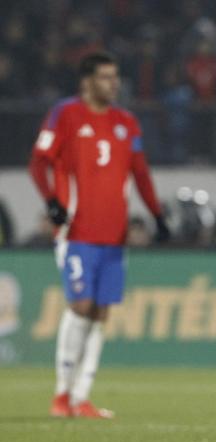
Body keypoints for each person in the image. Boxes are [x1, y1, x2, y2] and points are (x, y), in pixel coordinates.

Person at [29, 51, 169, 419]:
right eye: (106, 77)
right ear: (87, 82)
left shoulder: (127, 122)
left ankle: (81, 396)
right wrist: (51, 202)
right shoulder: (66, 114)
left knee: (101, 312)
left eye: (115, 76)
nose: (114, 83)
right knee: (80, 306)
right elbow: (37, 162)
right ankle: (61, 395)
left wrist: (157, 214)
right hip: (76, 231)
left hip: (114, 234)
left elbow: (140, 174)